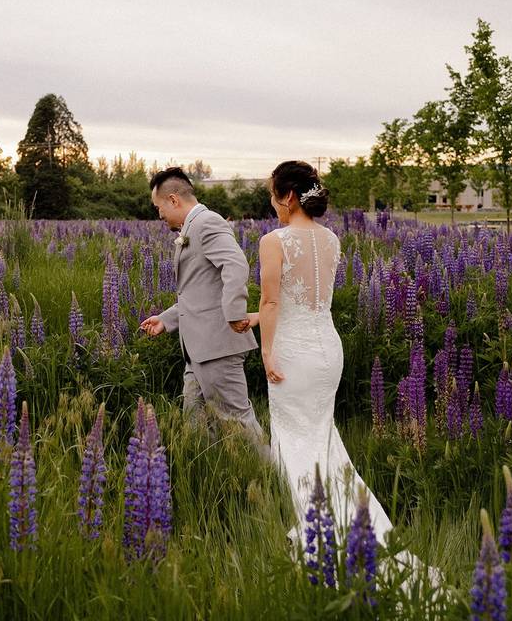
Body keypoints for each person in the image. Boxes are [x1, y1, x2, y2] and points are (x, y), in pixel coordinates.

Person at [245, 160, 395, 542]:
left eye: (274, 195)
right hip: (327, 350)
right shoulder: (332, 240)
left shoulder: (273, 241)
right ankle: (355, 523)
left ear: (290, 197)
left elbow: (274, 301)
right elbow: (308, 301)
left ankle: (316, 533)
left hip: (293, 353)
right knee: (322, 436)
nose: (273, 203)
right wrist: (256, 317)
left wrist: (265, 352)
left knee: (294, 438)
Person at [140, 167, 270, 457]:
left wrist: (236, 313)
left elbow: (236, 265)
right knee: (196, 425)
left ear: (173, 200)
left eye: (159, 207)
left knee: (238, 421)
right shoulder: (190, 229)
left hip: (217, 347)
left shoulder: (207, 223)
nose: (158, 215)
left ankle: (275, 483)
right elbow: (198, 290)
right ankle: (210, 478)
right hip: (197, 350)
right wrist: (166, 319)